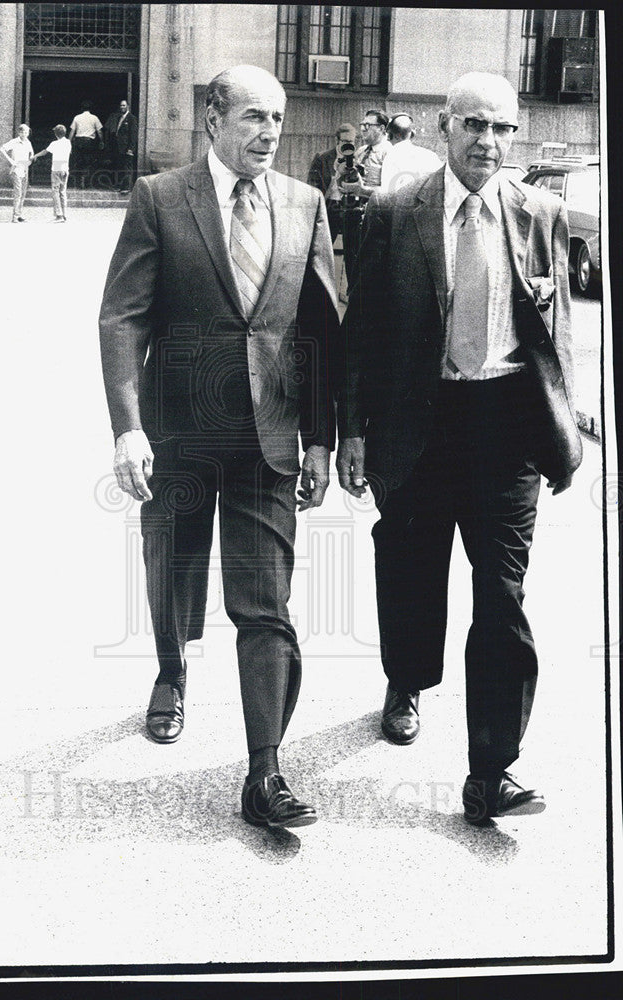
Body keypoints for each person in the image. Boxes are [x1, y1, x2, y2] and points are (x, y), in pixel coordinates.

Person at [98, 64, 340, 830]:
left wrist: (322, 440)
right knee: (171, 566)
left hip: (270, 438)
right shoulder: (161, 198)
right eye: (253, 118)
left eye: (278, 118)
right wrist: (128, 426)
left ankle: (265, 771)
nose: (270, 132)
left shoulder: (307, 204)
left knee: (265, 605)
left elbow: (325, 333)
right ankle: (170, 670)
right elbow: (122, 318)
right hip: (178, 434)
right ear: (213, 120)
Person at [336, 72, 581, 825]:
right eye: (475, 124)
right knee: (411, 573)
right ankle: (406, 680)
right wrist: (351, 428)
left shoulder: (540, 213)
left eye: (504, 129)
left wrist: (565, 421)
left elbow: (558, 330)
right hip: (419, 418)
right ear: (444, 127)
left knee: (502, 598)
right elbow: (362, 327)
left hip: (505, 426)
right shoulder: (391, 211)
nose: (490, 141)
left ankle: (491, 771)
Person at [337, 110, 392, 284]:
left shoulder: (389, 153)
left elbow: (391, 192)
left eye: (368, 126)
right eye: (362, 125)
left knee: (369, 269)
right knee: (351, 263)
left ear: (382, 129)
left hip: (375, 217)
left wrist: (362, 190)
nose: (363, 129)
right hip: (352, 213)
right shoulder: (360, 151)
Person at [306, 122, 357, 245]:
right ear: (337, 140)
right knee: (322, 246)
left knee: (352, 249)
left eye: (351, 142)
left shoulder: (358, 158)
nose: (348, 145)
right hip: (329, 206)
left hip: (350, 208)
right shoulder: (322, 158)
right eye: (345, 141)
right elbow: (312, 186)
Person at [379, 112, 442, 194]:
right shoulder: (431, 155)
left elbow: (387, 194)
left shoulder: (391, 157)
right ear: (411, 134)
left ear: (390, 135)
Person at [31, 124, 72, 222]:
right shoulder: (68, 142)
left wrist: (35, 155)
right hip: (65, 168)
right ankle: (64, 214)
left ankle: (59, 215)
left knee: (55, 192)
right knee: (63, 192)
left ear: (56, 134)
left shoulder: (54, 143)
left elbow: (45, 152)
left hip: (56, 168)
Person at [0, 124, 34, 223]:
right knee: (17, 193)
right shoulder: (14, 142)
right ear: (19, 132)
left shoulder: (28, 142)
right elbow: (2, 149)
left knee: (23, 194)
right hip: (16, 169)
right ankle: (14, 216)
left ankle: (19, 215)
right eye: (22, 132)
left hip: (24, 169)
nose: (24, 134)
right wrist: (10, 160)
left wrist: (30, 160)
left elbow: (31, 153)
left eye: (26, 132)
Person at [104, 99, 138, 194]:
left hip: (127, 148)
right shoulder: (120, 118)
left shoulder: (132, 118)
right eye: (121, 105)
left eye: (123, 105)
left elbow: (133, 135)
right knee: (120, 167)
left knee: (127, 168)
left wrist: (131, 148)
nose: (122, 107)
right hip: (119, 148)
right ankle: (120, 186)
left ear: (128, 106)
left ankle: (126, 188)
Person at [69, 100, 104, 189]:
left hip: (79, 141)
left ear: (82, 108)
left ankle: (78, 184)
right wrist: (101, 141)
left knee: (78, 163)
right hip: (89, 142)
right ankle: (88, 183)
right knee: (89, 163)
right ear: (90, 109)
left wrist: (68, 142)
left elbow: (72, 131)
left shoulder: (77, 117)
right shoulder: (94, 118)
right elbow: (99, 131)